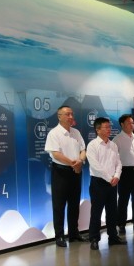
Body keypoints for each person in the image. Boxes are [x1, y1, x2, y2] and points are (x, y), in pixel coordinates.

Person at [44, 105, 87, 248]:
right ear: (59, 116)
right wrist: (73, 163)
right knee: (59, 205)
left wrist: (80, 161)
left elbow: (83, 150)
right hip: (61, 172)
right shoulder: (54, 133)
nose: (70, 117)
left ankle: (74, 233)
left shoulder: (76, 132)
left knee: (74, 204)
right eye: (67, 114)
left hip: (76, 171)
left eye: (71, 114)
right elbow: (55, 154)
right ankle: (59, 236)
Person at [86, 117, 124, 250]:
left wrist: (117, 176)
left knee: (112, 211)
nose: (109, 129)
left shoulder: (113, 145)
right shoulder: (92, 145)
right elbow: (96, 166)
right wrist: (110, 178)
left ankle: (113, 236)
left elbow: (118, 162)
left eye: (109, 127)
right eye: (106, 127)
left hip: (113, 182)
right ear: (97, 130)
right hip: (99, 183)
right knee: (96, 212)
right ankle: (94, 238)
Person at [113, 114, 134, 234]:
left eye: (132, 122)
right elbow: (114, 159)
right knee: (123, 199)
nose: (132, 125)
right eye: (129, 123)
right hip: (125, 172)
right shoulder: (117, 139)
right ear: (122, 124)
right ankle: (121, 224)